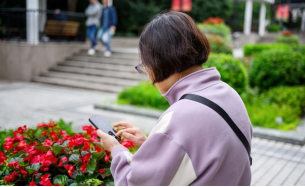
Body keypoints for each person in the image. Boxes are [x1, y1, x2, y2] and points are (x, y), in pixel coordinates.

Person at [97, 11, 252, 185]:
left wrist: (116, 149)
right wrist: (153, 145)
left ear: (158, 61)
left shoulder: (181, 117)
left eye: (144, 65)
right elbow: (204, 155)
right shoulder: (229, 94)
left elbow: (134, 183)